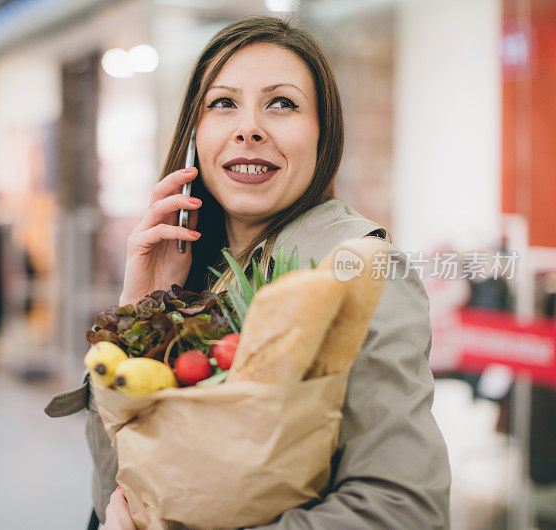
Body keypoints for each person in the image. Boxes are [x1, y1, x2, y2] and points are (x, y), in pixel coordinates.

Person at [46, 15, 450, 529]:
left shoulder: (359, 272)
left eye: (282, 103)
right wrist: (140, 312)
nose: (249, 127)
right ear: (195, 134)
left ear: (323, 135)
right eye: (222, 103)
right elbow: (119, 489)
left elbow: (404, 509)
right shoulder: (199, 274)